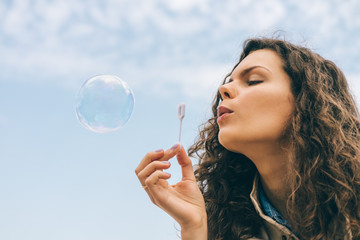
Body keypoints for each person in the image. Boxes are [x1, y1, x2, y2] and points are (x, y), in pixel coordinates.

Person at [135, 38, 360, 239]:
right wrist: (194, 227)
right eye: (229, 81)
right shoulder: (229, 225)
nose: (224, 88)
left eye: (253, 80)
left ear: (306, 100)